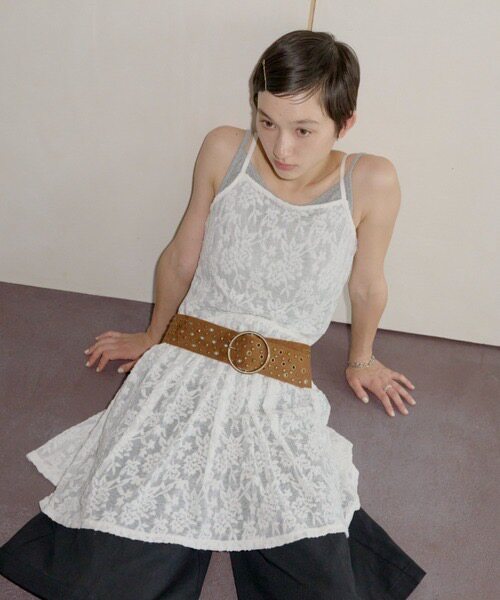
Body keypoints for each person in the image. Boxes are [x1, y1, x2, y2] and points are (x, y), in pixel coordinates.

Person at [0, 29, 426, 599]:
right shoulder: (225, 150)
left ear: (344, 124)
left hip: (278, 387)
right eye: (267, 121)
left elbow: (368, 283)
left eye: (304, 130)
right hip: (187, 361)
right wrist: (154, 334)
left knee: (312, 558)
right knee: (122, 553)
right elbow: (183, 253)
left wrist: (362, 357)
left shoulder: (371, 180)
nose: (282, 147)